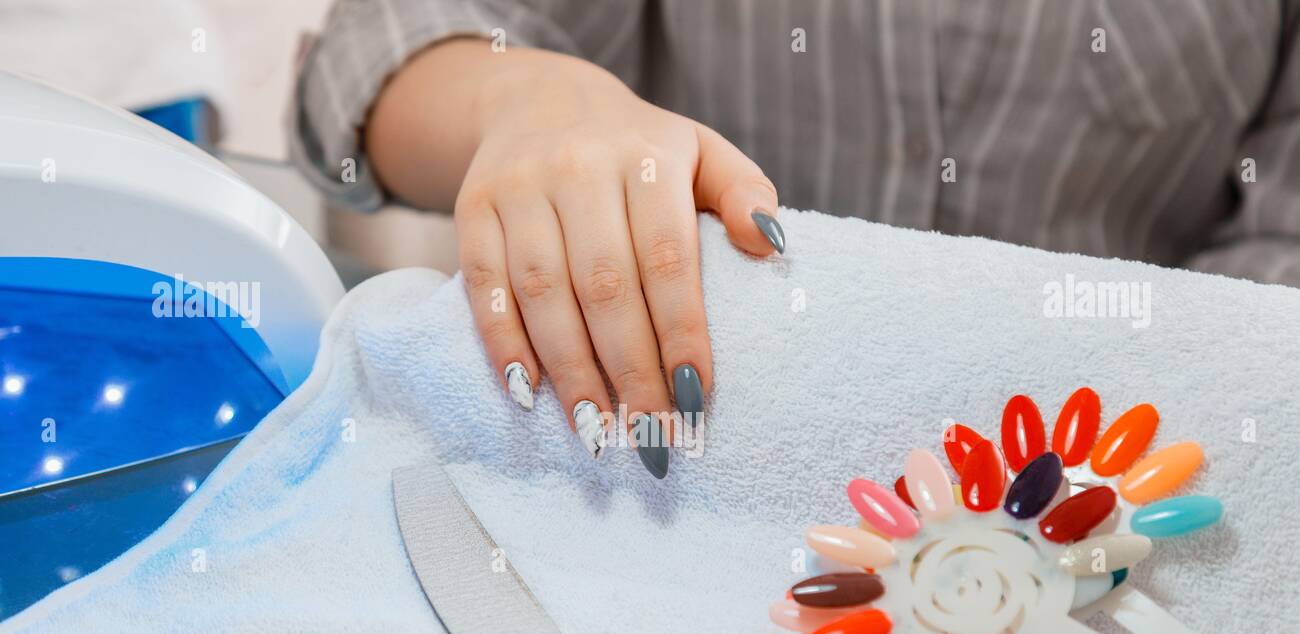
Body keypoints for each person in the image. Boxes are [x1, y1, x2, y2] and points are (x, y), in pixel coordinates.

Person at [291, 0, 1300, 477]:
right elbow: (370, 55)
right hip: (689, 467)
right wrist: (521, 95)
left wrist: (1144, 422)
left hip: (1137, 476)